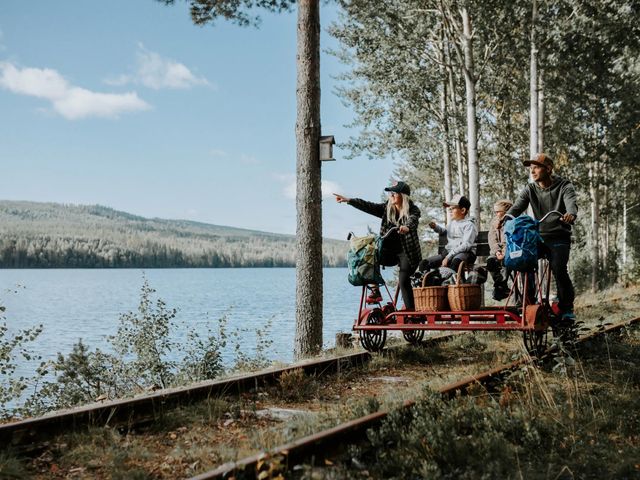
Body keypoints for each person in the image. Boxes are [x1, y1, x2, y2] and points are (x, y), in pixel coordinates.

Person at [505, 153, 578, 321]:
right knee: (523, 261)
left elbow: (571, 203)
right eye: (531, 168)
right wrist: (507, 217)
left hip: (559, 236)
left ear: (548, 169)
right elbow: (517, 207)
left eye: (536, 167)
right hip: (538, 236)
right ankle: (529, 302)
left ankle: (566, 308)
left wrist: (570, 214)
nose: (532, 171)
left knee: (559, 269)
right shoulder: (530, 189)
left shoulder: (564, 186)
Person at [334, 180, 422, 310]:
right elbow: (369, 206)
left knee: (403, 281)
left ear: (403, 196)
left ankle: (411, 313)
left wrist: (407, 227)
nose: (391, 195)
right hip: (389, 252)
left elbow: (413, 220)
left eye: (394, 193)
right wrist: (349, 200)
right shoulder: (387, 209)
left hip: (407, 253)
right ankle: (375, 290)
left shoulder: (413, 210)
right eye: (390, 193)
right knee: (369, 256)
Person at [418, 194, 478, 273]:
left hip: (465, 253)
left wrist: (448, 257)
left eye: (453, 208)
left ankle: (446, 281)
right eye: (449, 208)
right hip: (449, 252)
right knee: (424, 263)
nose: (450, 210)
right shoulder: (451, 223)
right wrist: (436, 227)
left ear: (463, 210)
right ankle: (427, 282)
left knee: (455, 263)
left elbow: (466, 245)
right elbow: (445, 232)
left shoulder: (469, 225)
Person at [487, 199, 513, 301]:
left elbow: (510, 240)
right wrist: (497, 251)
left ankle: (500, 288)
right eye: (495, 212)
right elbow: (492, 239)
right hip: (497, 252)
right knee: (490, 262)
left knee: (505, 262)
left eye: (498, 211)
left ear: (506, 211)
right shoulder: (494, 223)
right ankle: (502, 287)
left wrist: (504, 253)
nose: (496, 214)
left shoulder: (512, 221)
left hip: (510, 251)